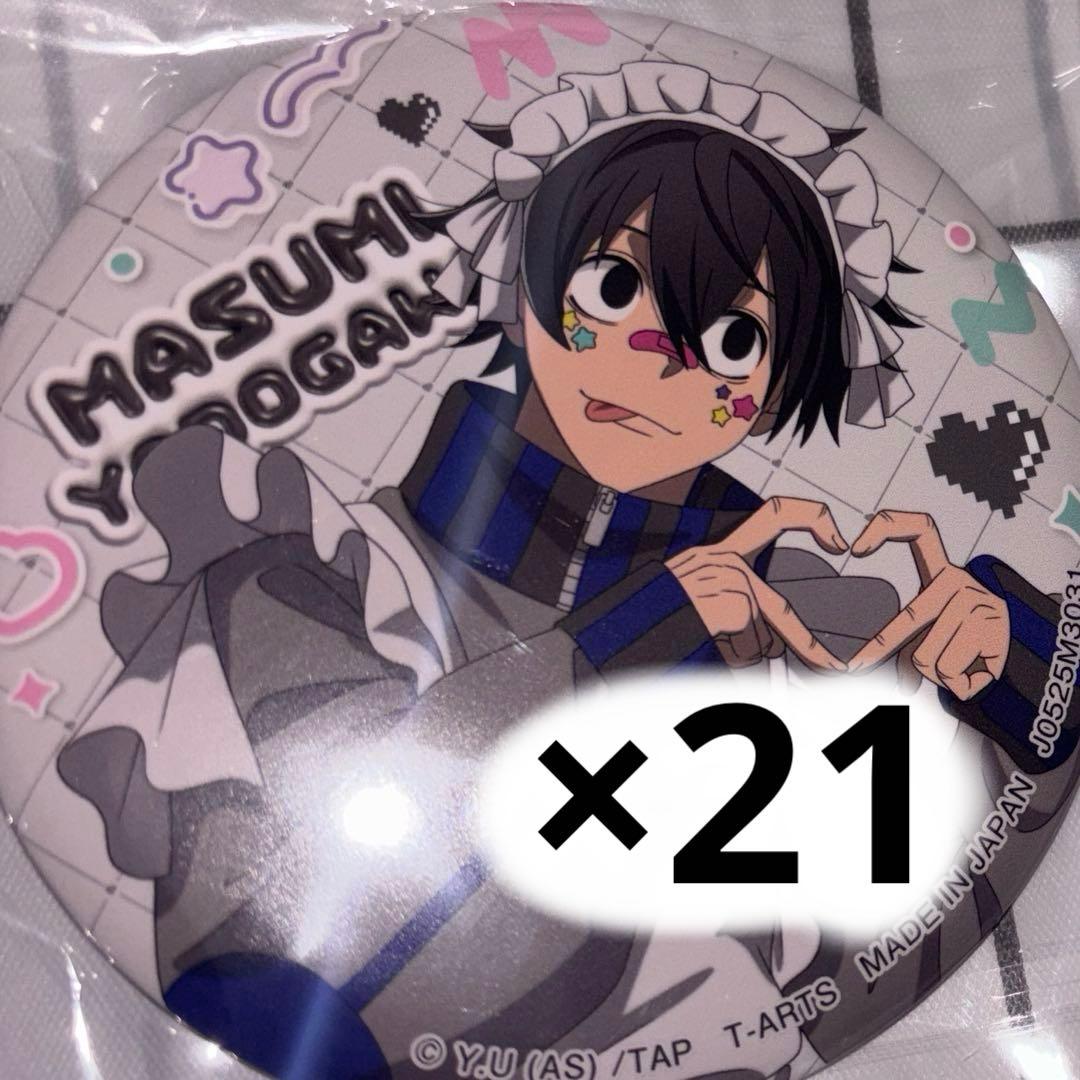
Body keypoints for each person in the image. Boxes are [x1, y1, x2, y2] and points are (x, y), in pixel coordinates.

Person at [57, 62, 1076, 1079]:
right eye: (615, 287)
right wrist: (627, 650)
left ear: (773, 391)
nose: (660, 358)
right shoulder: (302, 571)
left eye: (734, 338)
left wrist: (1017, 691)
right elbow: (261, 948)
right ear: (527, 290)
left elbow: (884, 949)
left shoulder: (810, 644)